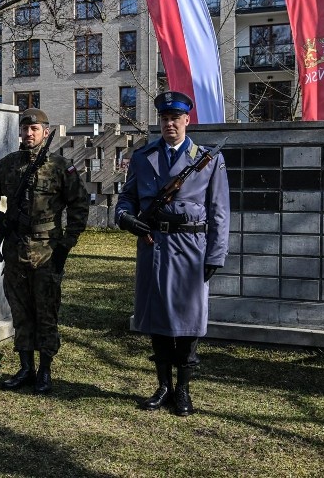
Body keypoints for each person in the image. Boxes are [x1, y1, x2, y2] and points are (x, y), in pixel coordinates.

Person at [115, 91, 230, 416]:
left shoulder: (208, 159)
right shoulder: (144, 156)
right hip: (153, 247)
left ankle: (183, 390)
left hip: (192, 250)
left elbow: (219, 211)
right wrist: (126, 218)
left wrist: (215, 255)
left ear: (186, 121)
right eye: (164, 118)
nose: (169, 124)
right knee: (157, 316)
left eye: (175, 118)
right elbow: (127, 198)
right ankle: (163, 385)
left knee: (190, 319)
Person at [0, 108, 89, 394]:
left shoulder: (60, 166)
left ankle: (45, 371)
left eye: (34, 129)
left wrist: (68, 242)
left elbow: (80, 204)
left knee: (46, 311)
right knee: (20, 310)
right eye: (25, 129)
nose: (28, 134)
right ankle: (25, 367)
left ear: (45, 132)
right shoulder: (9, 164)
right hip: (15, 248)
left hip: (47, 250)